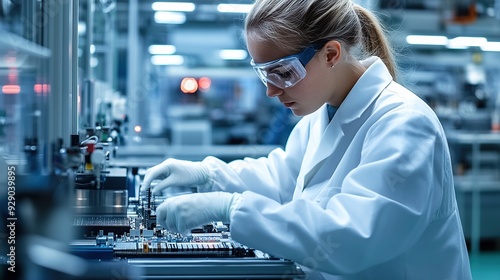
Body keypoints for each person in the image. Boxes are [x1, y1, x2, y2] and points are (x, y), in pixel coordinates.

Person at [141, 0, 472, 279]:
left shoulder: (404, 124)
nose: (271, 91)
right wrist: (209, 175)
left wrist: (231, 207)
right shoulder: (320, 115)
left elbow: (353, 238)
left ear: (330, 54)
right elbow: (285, 179)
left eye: (283, 73)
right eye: (264, 74)